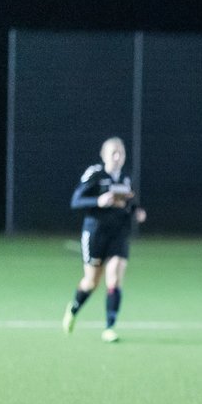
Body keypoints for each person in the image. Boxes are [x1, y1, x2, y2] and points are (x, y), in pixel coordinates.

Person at [62, 137, 147, 342]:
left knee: (115, 278)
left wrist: (137, 211)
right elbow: (76, 200)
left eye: (121, 153)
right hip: (95, 233)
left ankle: (109, 327)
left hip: (118, 233)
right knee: (91, 282)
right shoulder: (95, 174)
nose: (118, 157)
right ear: (104, 155)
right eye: (113, 153)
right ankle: (73, 309)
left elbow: (130, 203)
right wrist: (98, 201)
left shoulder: (126, 178)